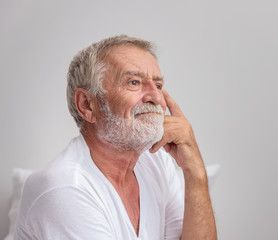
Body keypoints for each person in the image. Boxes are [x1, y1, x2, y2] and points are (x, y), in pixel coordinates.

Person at [14, 35, 217, 240]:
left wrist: (195, 172)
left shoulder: (158, 162)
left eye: (158, 85)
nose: (156, 98)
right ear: (87, 105)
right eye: (134, 82)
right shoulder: (64, 186)